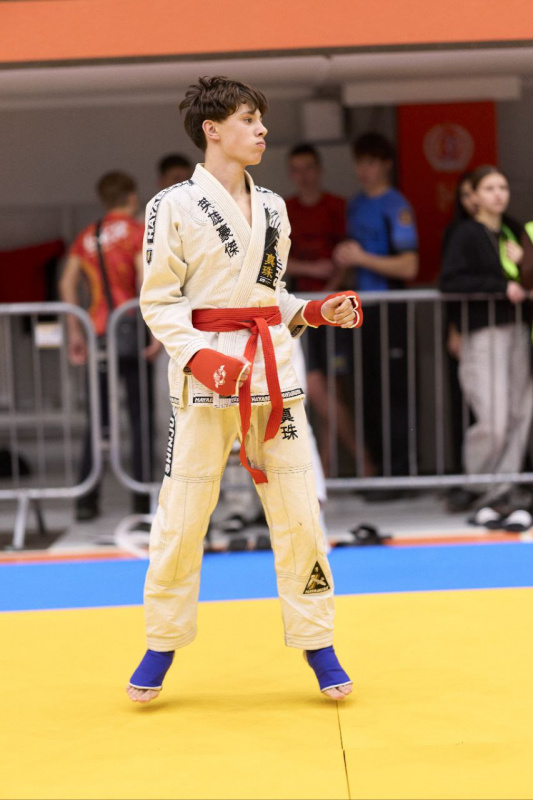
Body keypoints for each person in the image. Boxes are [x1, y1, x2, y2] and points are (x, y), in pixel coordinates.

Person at [126, 76, 363, 704]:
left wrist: (313, 312)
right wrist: (200, 357)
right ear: (212, 129)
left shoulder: (275, 207)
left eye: (261, 119)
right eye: (249, 119)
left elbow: (269, 298)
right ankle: (161, 642)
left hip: (272, 377)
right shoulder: (171, 206)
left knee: (301, 513)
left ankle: (318, 642)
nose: (262, 131)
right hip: (205, 381)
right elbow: (158, 301)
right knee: (183, 517)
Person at [60, 171, 160, 520]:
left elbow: (67, 283)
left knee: (97, 419)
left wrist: (75, 330)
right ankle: (141, 498)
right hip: (131, 329)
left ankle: (86, 502)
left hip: (99, 331)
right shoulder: (136, 232)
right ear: (131, 196)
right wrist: (155, 332)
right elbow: (145, 281)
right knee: (140, 416)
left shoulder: (88, 235)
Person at [440, 165, 533, 518]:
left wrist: (524, 266)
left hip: (517, 329)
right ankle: (477, 484)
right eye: (490, 188)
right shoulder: (465, 233)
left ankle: (504, 487)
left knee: (520, 411)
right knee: (492, 417)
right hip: (483, 331)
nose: (498, 194)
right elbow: (450, 282)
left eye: (503, 187)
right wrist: (499, 287)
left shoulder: (513, 229)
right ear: (474, 196)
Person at [334, 133, 418, 485]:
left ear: (385, 164)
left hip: (389, 308)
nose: (364, 170)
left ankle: (400, 472)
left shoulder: (395, 205)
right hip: (360, 310)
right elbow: (351, 258)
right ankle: (379, 471)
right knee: (366, 390)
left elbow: (409, 266)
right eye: (360, 162)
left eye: (371, 162)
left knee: (393, 391)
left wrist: (361, 258)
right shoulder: (355, 205)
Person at [285, 143, 372, 477]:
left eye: (308, 168)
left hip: (334, 309)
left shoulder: (337, 206)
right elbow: (276, 261)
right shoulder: (285, 208)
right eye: (297, 170)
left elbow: (348, 257)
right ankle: (358, 461)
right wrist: (312, 269)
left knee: (333, 391)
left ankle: (328, 469)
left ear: (319, 170)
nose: (303, 176)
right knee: (316, 388)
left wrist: (329, 292)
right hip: (300, 311)